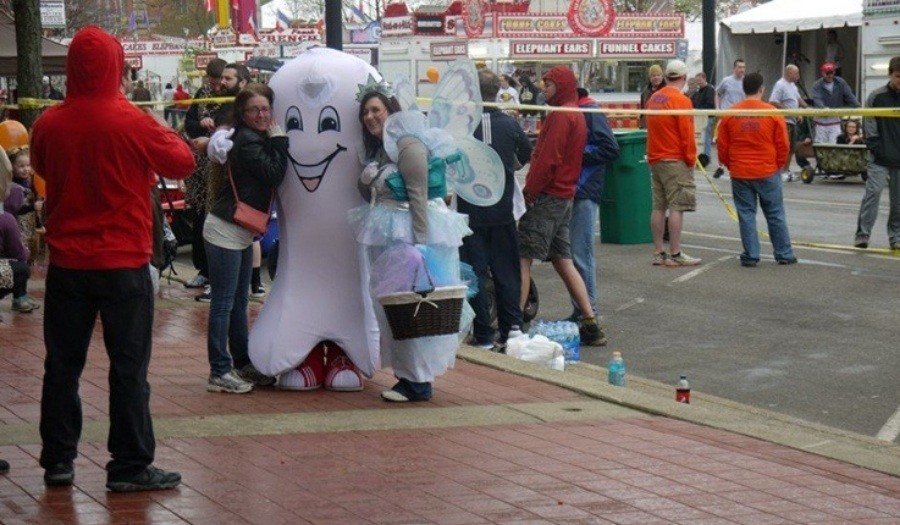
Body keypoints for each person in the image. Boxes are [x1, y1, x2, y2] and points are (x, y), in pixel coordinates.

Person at [30, 26, 195, 491]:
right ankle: (129, 465)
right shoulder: (133, 122)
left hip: (67, 265)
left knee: (62, 365)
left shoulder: (48, 124)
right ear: (117, 67)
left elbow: (42, 167)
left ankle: (58, 460)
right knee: (128, 369)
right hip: (122, 262)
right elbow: (182, 161)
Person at [353, 85, 471, 402]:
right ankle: (408, 376)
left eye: (376, 110)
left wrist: (421, 248)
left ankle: (418, 380)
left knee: (414, 301)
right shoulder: (382, 148)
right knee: (394, 305)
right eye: (365, 112)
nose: (370, 116)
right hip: (392, 231)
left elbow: (418, 195)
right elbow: (377, 193)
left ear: (392, 111)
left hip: (413, 233)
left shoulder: (407, 144)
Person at [204, 82, 287, 394]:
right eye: (254, 109)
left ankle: (242, 364)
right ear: (243, 113)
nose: (262, 114)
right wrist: (279, 139)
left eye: (266, 108)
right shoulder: (248, 141)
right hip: (225, 228)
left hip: (238, 229)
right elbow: (275, 173)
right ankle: (220, 371)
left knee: (238, 302)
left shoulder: (249, 137)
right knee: (224, 303)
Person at [519, 66, 606, 346]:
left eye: (549, 85)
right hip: (566, 195)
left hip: (548, 195)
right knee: (563, 259)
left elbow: (548, 159)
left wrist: (529, 191)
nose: (543, 89)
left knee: (523, 257)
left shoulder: (560, 116)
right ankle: (590, 321)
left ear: (562, 87)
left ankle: (516, 325)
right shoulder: (576, 113)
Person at [459, 68, 533, 350]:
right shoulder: (510, 124)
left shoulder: (464, 125)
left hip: (471, 208)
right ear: (497, 92)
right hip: (502, 208)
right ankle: (512, 328)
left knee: (475, 272)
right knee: (507, 271)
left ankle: (483, 335)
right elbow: (526, 153)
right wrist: (508, 165)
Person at [717, 72, 797, 267]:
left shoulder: (731, 113)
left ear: (744, 89)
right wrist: (778, 165)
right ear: (762, 89)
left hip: (740, 171)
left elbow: (722, 144)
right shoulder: (772, 113)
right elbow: (783, 145)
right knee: (775, 213)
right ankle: (784, 253)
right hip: (767, 169)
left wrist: (729, 164)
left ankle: (751, 254)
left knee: (746, 214)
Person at [567, 87, 619, 324]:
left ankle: (589, 311)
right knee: (574, 253)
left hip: (584, 188)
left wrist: (574, 152)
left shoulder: (589, 111)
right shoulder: (578, 110)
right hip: (576, 188)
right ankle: (582, 308)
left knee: (581, 253)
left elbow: (610, 148)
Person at [645, 60, 701, 267]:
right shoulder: (682, 100)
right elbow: (686, 135)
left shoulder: (654, 98)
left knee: (659, 206)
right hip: (675, 159)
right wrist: (690, 159)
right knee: (677, 206)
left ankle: (659, 252)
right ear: (684, 78)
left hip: (656, 157)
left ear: (667, 76)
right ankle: (675, 253)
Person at [183, 58, 227, 300]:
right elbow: (189, 123)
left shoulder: (233, 97)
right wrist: (200, 123)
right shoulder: (202, 93)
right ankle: (203, 269)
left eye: (219, 79)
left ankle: (218, 275)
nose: (217, 84)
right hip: (200, 171)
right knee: (199, 218)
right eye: (213, 79)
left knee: (218, 221)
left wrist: (217, 126)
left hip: (220, 170)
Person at [854, 56, 900, 251]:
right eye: (898, 76)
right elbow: (869, 125)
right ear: (890, 74)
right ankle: (862, 235)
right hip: (879, 157)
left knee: (898, 202)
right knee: (872, 195)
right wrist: (876, 148)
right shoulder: (876, 96)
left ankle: (896, 237)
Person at [1, 146, 38, 313]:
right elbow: (16, 209)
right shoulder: (14, 190)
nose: (26, 169)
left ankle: (21, 295)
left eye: (28, 166)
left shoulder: (29, 184)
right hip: (17, 232)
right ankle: (19, 296)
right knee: (21, 265)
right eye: (21, 166)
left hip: (22, 230)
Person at [769, 64, 809, 182]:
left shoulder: (793, 86)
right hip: (784, 121)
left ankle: (786, 170)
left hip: (793, 121)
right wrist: (788, 110)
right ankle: (780, 171)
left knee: (791, 147)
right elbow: (773, 101)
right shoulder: (780, 85)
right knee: (784, 147)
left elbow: (798, 100)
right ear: (788, 73)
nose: (798, 76)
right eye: (796, 73)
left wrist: (808, 109)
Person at [812, 62, 860, 144]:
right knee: (821, 146)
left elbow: (849, 95)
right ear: (823, 73)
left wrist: (857, 105)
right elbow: (817, 99)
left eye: (832, 72)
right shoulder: (817, 85)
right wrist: (823, 108)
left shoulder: (840, 82)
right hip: (821, 120)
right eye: (827, 73)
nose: (830, 75)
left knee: (834, 144)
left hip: (835, 119)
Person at [713, 59, 747, 178]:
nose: (742, 70)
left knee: (738, 142)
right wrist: (717, 108)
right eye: (739, 67)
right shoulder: (726, 81)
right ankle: (720, 166)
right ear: (734, 68)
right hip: (726, 115)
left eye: (743, 67)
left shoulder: (746, 82)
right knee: (721, 141)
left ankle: (737, 165)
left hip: (740, 118)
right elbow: (717, 93)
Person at [691, 72, 716, 167]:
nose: (698, 82)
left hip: (707, 117)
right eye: (697, 81)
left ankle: (707, 157)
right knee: (700, 137)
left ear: (704, 78)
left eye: (700, 80)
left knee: (706, 138)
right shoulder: (697, 92)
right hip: (699, 118)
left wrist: (698, 109)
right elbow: (693, 102)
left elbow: (710, 103)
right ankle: (700, 156)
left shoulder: (710, 89)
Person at [639, 64, 664, 129]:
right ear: (650, 78)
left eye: (658, 75)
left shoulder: (667, 91)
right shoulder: (645, 92)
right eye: (653, 75)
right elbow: (642, 111)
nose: (656, 77)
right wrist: (642, 126)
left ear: (662, 77)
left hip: (662, 126)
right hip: (648, 126)